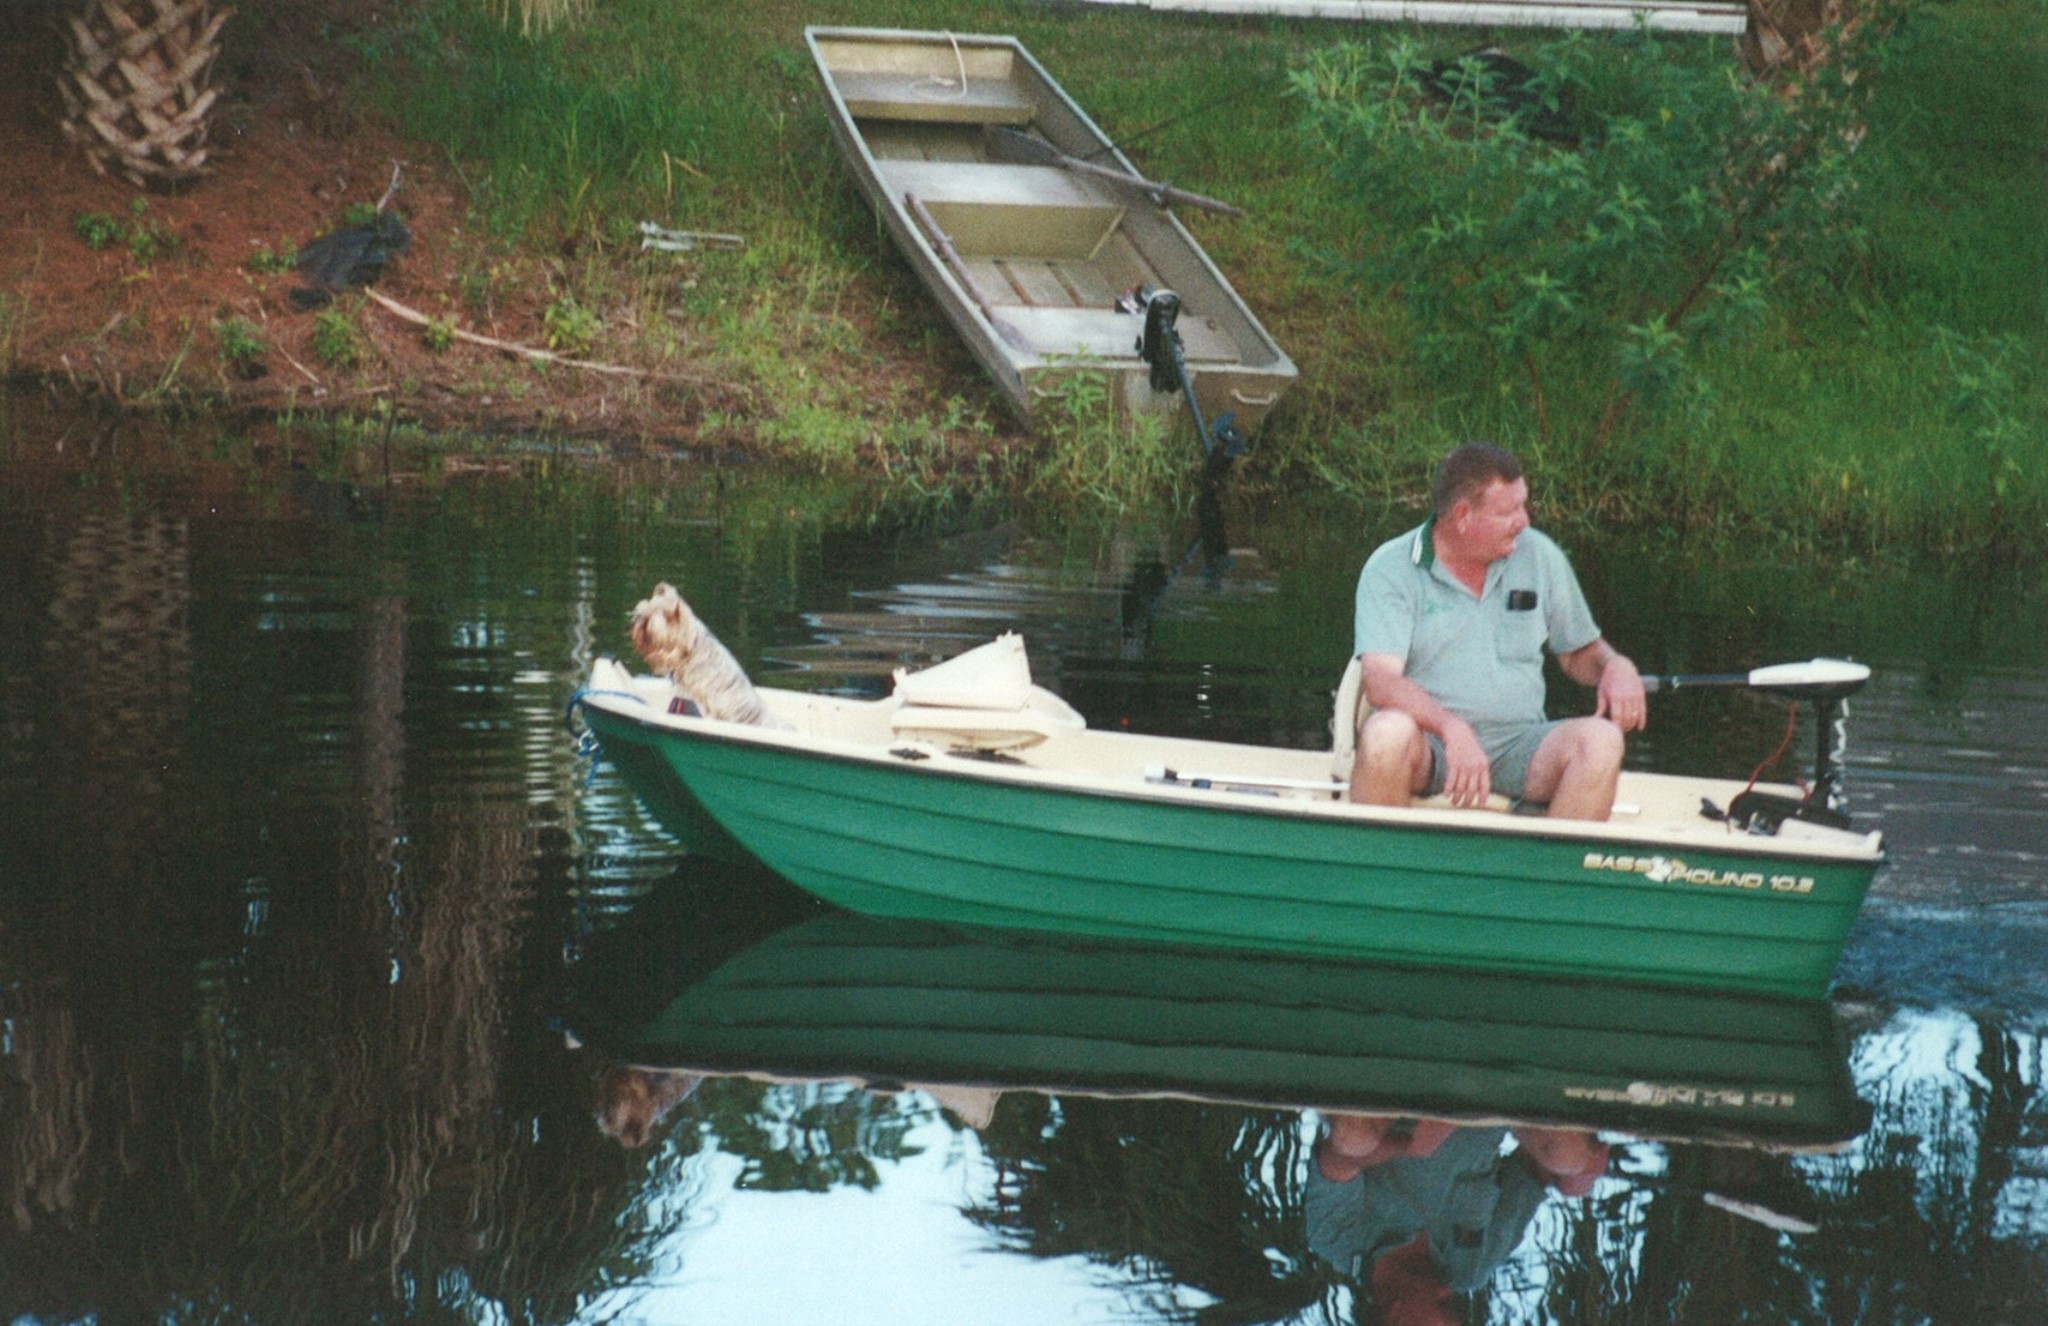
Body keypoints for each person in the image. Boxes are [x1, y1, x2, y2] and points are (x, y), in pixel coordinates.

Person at [1349, 443, 1646, 820]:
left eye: (1524, 506)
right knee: (1385, 734)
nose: (1524, 521)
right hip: (1431, 746)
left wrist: (1615, 666)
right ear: (1463, 516)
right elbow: (1381, 682)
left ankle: (1553, 860)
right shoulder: (1391, 567)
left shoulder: (1539, 555)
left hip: (1520, 747)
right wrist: (1452, 729)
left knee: (1602, 740)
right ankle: (1382, 857)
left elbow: (1578, 653)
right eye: (1509, 511)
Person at [1305, 1112, 1610, 1324]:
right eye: (1453, 1305)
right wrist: (1578, 1175)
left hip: (1403, 1097)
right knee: (1571, 1163)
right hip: (1494, 1104)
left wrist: (1409, 1146)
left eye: (1442, 1304)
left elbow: (1337, 1158)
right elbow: (1532, 1172)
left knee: (1353, 1137)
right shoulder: (1472, 1270)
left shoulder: (1336, 1241)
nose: (1448, 1290)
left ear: (1395, 1317)